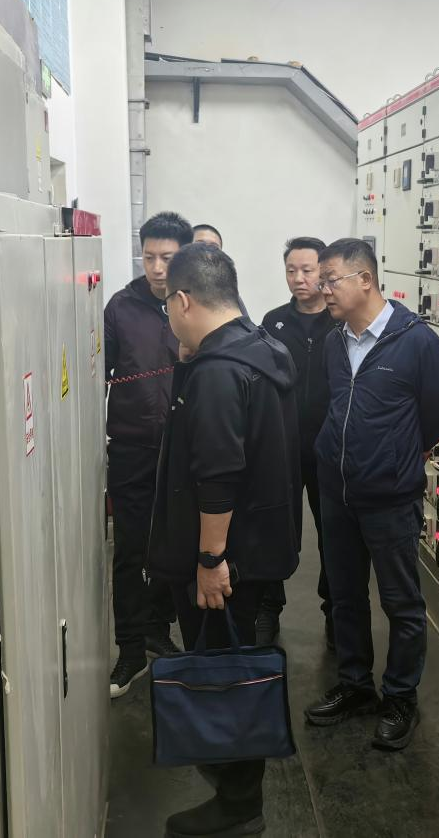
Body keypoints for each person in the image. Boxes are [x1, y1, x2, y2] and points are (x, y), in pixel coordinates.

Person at [147, 242, 301, 837]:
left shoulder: (219, 372)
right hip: (259, 549)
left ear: (184, 300)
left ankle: (238, 806)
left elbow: (218, 475)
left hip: (224, 562)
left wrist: (210, 559)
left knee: (224, 675)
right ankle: (234, 787)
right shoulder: (262, 348)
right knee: (231, 665)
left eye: (169, 304)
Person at [304, 238, 439, 751]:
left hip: (389, 495)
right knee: (344, 596)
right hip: (337, 490)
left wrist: (395, 455)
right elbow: (332, 403)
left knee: (401, 602)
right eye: (321, 280)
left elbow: (438, 415)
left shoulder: (418, 342)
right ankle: (355, 685)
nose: (322, 289)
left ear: (365, 279)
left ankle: (400, 696)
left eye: (330, 280)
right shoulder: (334, 341)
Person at [103, 211, 192, 698]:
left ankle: (161, 629)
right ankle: (131, 650)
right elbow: (99, 372)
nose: (157, 268)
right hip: (133, 449)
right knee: (130, 551)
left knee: (178, 545)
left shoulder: (197, 302)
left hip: (185, 449)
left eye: (168, 258)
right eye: (149, 256)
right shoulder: (120, 308)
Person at [258, 237, 336, 648]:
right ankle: (269, 608)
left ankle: (335, 610)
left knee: (333, 533)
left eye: (307, 270)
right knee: (274, 530)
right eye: (291, 270)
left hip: (329, 449)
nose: (299, 278)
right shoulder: (273, 322)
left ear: (324, 271)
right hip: (282, 448)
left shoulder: (340, 320)